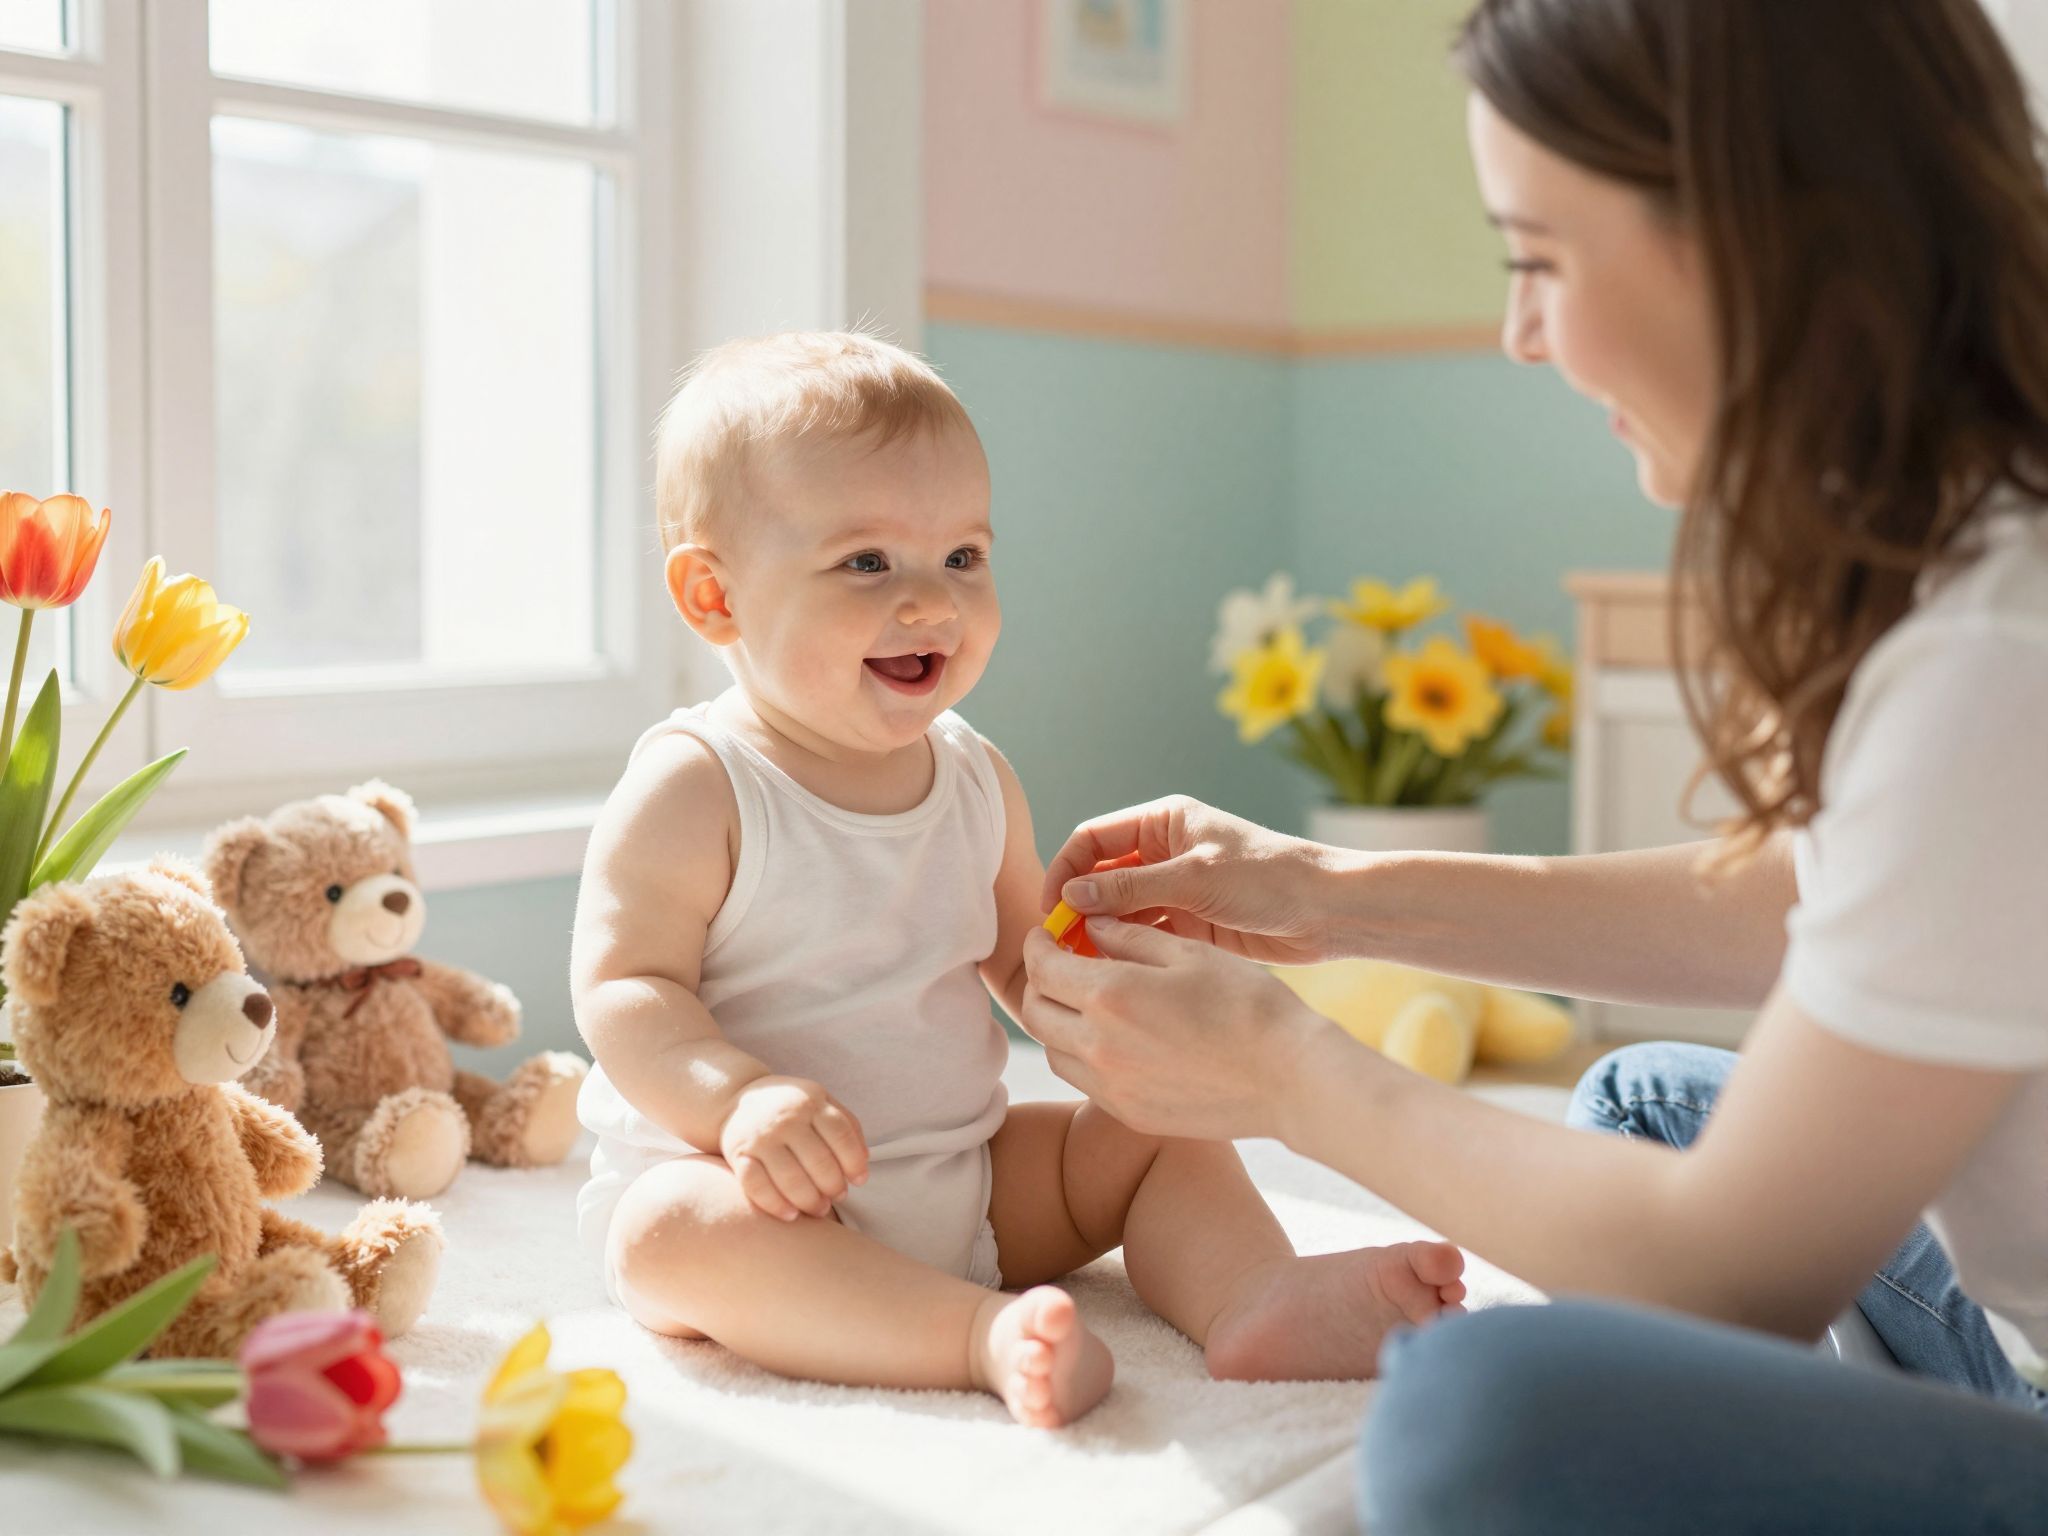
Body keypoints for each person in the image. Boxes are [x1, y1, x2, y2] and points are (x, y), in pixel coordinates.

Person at [1018, 0, 2048, 1527]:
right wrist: (1330, 894)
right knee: (1639, 1100)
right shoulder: (1971, 550)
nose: (1519, 333)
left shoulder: (1993, 653)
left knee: (1482, 1415)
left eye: (1540, 260)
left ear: (1762, 236)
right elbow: (1812, 903)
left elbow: (1732, 1268)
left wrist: (1293, 1074)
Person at [567, 331, 1465, 1431]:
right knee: (667, 1236)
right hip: (760, 1198)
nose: (929, 601)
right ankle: (970, 1336)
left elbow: (1024, 967)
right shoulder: (698, 785)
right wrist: (738, 1097)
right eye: (866, 563)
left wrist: (1122, 964)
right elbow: (625, 991)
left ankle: (1251, 1294)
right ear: (714, 596)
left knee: (1156, 1121)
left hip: (972, 1182)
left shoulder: (974, 775)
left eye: (962, 558)